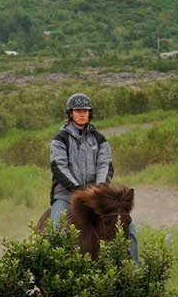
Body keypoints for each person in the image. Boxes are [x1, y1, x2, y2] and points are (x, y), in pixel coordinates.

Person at [50, 92, 139, 264]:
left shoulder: (100, 139)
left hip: (96, 196)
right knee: (55, 230)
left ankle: (134, 271)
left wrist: (98, 189)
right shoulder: (59, 140)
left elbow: (105, 165)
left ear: (90, 113)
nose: (82, 113)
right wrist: (78, 189)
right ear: (71, 113)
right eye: (78, 110)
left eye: (85, 110)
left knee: (129, 229)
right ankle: (50, 275)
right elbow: (59, 167)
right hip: (66, 196)